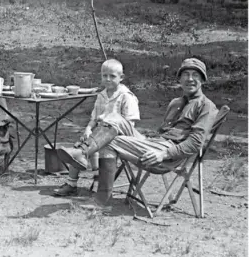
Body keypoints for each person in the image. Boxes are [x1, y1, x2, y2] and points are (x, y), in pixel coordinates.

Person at [56, 58, 217, 209]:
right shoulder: (176, 103)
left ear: (202, 80)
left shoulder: (206, 106)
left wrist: (164, 154)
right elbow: (163, 132)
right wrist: (147, 140)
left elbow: (196, 143)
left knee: (109, 141)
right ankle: (82, 153)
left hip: (167, 154)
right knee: (114, 117)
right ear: (179, 80)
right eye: (186, 75)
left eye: (195, 75)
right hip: (154, 142)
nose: (190, 79)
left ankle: (100, 198)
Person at [54, 59, 140, 197]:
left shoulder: (126, 96)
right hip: (99, 135)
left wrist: (109, 131)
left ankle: (98, 178)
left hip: (119, 136)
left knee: (94, 147)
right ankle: (72, 184)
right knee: (82, 143)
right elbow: (94, 119)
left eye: (112, 76)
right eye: (104, 75)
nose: (108, 79)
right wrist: (88, 129)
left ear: (121, 77)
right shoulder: (102, 95)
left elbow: (130, 125)